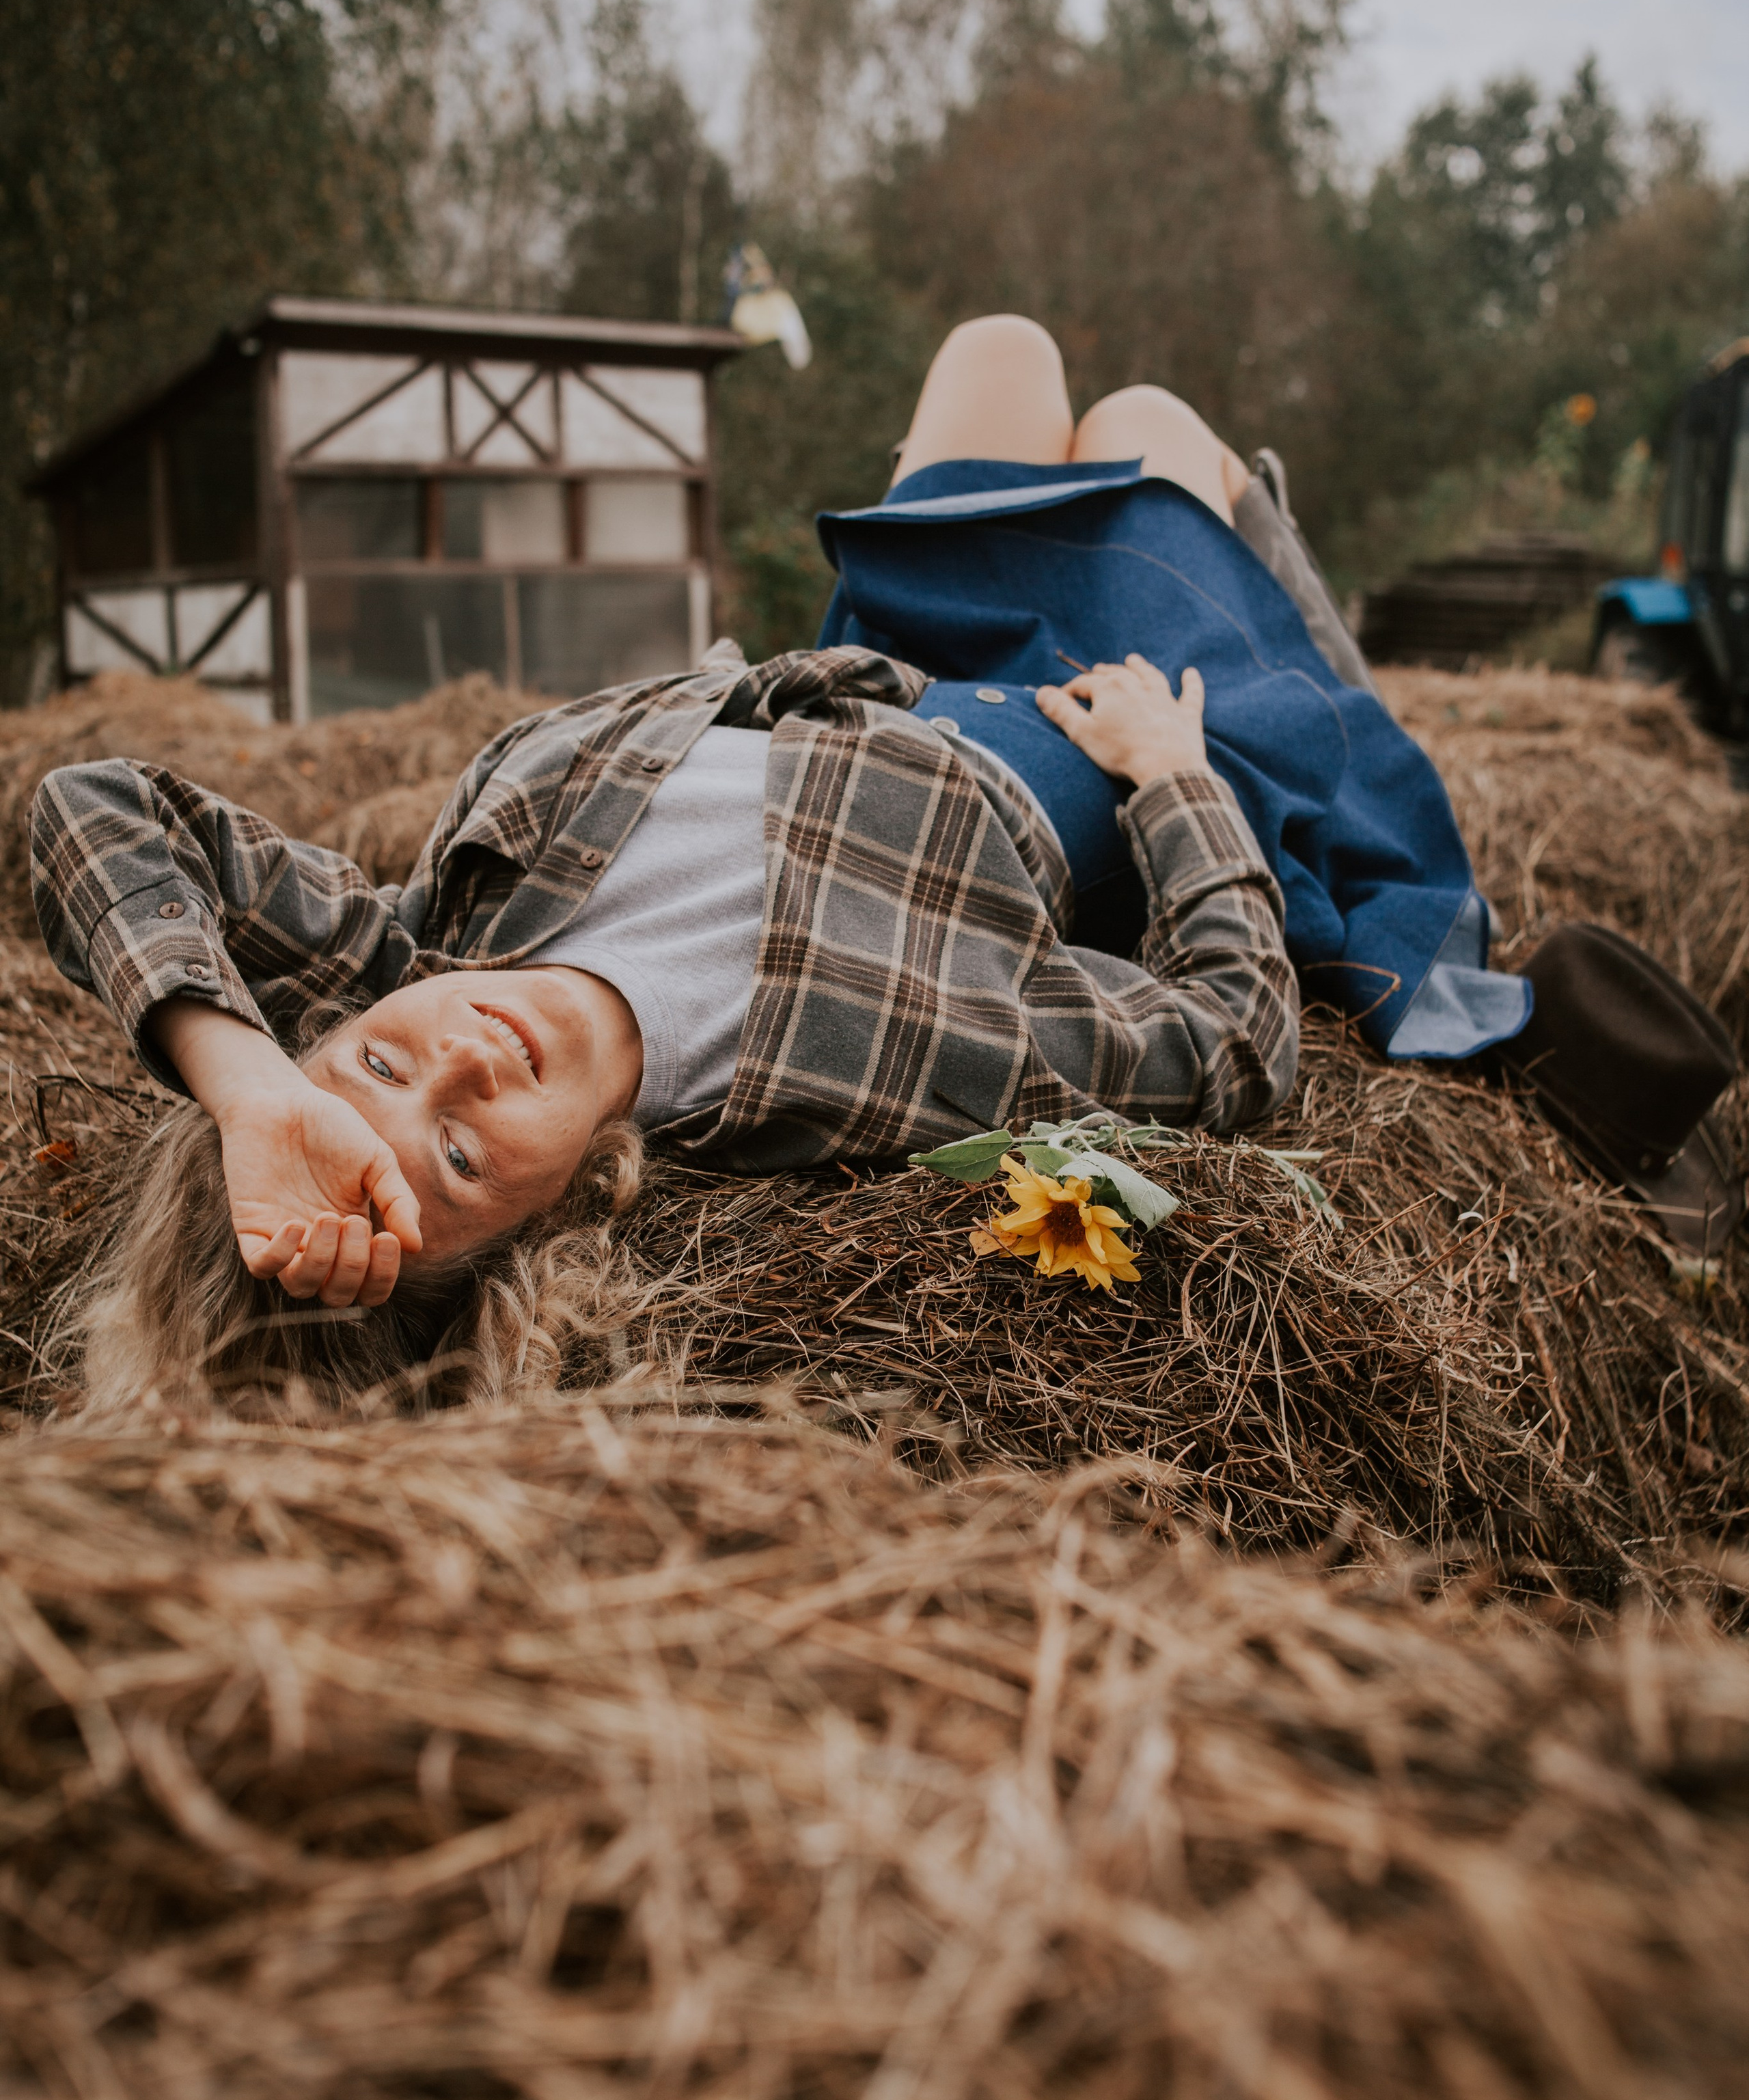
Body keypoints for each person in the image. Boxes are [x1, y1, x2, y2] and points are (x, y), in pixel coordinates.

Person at [29, 313, 1498, 1410]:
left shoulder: (425, 931)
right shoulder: (857, 1071)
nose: (462, 1065)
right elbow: (1230, 1045)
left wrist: (246, 1087)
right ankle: (1281, 600)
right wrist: (1173, 780)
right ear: (550, 1221)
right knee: (1155, 418)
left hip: (897, 643)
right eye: (463, 1162)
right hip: (1096, 692)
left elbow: (95, 805)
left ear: (328, 1026)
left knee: (1006, 342)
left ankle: (1249, 561)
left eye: (376, 1073)